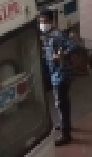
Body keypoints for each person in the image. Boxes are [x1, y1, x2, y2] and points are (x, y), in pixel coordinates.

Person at [39, 9, 76, 146]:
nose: (42, 24)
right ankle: (65, 124)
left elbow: (73, 45)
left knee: (61, 103)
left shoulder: (57, 35)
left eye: (44, 21)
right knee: (63, 101)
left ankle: (66, 134)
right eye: (41, 21)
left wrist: (62, 55)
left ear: (51, 21)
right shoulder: (46, 36)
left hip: (61, 74)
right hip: (55, 74)